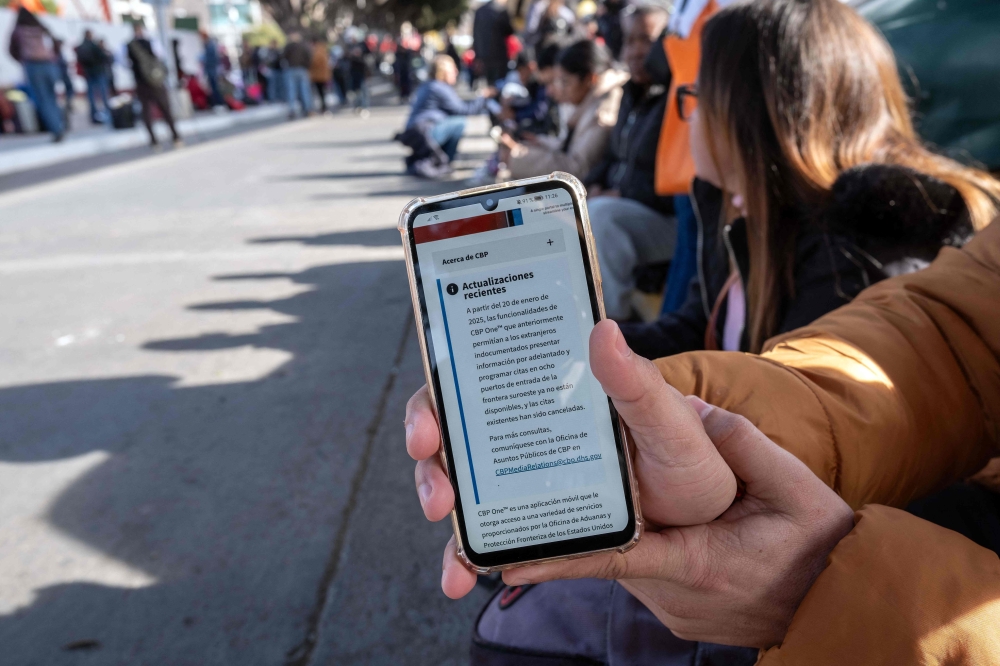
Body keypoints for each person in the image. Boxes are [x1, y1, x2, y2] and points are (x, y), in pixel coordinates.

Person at [409, 215, 1000, 662]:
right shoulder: (724, 214)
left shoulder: (815, 239)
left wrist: (829, 596)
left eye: (690, 98)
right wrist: (664, 408)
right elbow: (955, 337)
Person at [619, 0, 1000, 359]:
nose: (690, 114)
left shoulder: (864, 249)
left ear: (751, 118)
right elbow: (700, 327)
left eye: (698, 94)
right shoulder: (740, 202)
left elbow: (779, 405)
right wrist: (584, 341)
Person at [584, 2, 675, 321]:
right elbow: (613, 156)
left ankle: (615, 333)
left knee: (602, 218)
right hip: (625, 207)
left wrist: (619, 195)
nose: (635, 51)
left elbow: (674, 186)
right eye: (629, 40)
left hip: (664, 220)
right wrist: (590, 185)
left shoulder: (677, 99)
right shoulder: (631, 93)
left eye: (645, 39)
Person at [501, 40, 627, 181]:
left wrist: (518, 156)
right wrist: (541, 144)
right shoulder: (592, 103)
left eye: (564, 82)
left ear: (590, 79)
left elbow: (577, 170)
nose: (555, 90)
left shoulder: (602, 113)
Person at [404, 55, 496, 170]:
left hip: (416, 132)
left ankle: (435, 157)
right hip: (424, 133)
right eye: (453, 70)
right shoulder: (439, 88)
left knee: (453, 121)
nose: (456, 72)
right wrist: (483, 96)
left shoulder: (428, 85)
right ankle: (446, 161)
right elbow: (463, 110)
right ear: (443, 72)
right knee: (459, 123)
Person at [7, 7, 64, 141]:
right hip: (49, 65)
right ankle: (60, 125)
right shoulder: (41, 28)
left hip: (33, 65)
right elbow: (56, 43)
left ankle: (56, 129)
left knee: (42, 99)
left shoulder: (18, 30)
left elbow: (11, 49)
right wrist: (53, 57)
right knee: (52, 97)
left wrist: (22, 60)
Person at [127, 23, 181, 148]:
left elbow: (123, 63)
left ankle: (154, 141)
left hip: (141, 82)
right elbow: (161, 57)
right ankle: (175, 136)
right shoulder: (151, 42)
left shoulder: (128, 46)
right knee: (165, 109)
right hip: (156, 81)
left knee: (146, 112)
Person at [472, 0, 514, 87]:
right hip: (499, 56)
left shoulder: (479, 11)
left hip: (484, 57)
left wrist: (478, 56)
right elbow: (509, 31)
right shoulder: (501, 10)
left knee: (489, 83)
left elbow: (475, 35)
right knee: (499, 84)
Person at [78, 29, 113, 124]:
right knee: (103, 94)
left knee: (91, 97)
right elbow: (103, 56)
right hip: (99, 72)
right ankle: (109, 115)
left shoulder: (81, 46)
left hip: (88, 73)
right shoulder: (94, 45)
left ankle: (94, 116)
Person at [282, 32, 313, 118]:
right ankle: (308, 109)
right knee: (304, 90)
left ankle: (292, 110)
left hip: (292, 69)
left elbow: (283, 57)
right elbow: (309, 56)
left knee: (291, 91)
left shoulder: (288, 46)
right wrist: (306, 65)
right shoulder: (303, 46)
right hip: (301, 69)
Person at [52, 38, 75, 128]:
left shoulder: (57, 52)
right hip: (61, 74)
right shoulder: (55, 53)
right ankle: (67, 104)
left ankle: (68, 102)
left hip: (61, 74)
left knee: (69, 88)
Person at [200, 30, 223, 107]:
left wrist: (205, 61)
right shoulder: (208, 45)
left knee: (215, 87)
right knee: (213, 87)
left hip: (212, 70)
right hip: (210, 69)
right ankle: (217, 103)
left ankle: (219, 103)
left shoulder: (210, 45)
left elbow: (213, 58)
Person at [309, 37, 331, 114]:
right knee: (321, 92)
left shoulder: (317, 50)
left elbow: (317, 61)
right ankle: (323, 106)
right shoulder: (321, 49)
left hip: (318, 75)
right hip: (319, 74)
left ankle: (323, 107)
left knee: (320, 92)